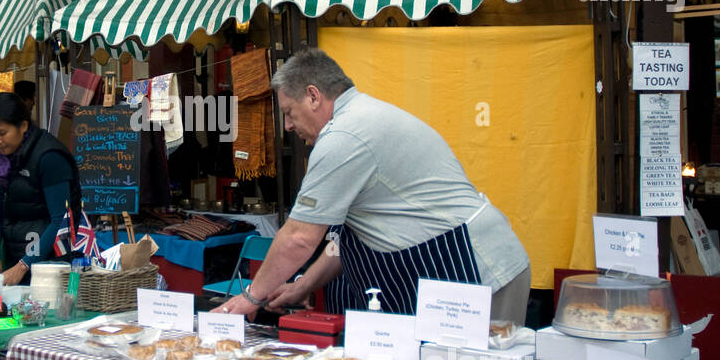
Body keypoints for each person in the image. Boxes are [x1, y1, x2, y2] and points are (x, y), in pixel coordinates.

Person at [220, 49, 531, 323]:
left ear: (313, 96)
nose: (287, 126)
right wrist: (301, 287)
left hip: (480, 271)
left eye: (288, 112)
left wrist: (252, 297)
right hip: (453, 272)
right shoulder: (356, 122)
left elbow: (299, 238)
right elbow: (341, 246)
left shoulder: (345, 136)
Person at [0, 92, 81, 286]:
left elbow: (61, 220)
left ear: (23, 126)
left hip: (52, 265)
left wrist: (23, 265)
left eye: (2, 133)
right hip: (15, 255)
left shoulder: (49, 157)